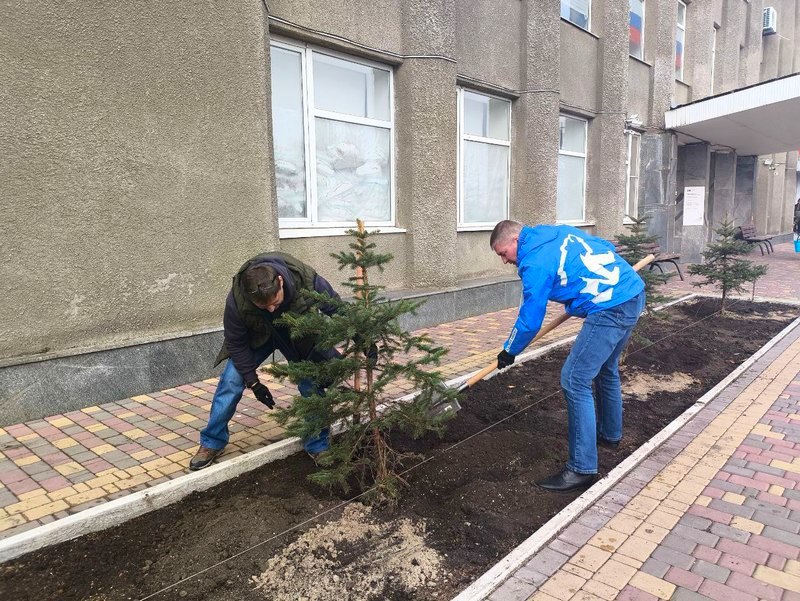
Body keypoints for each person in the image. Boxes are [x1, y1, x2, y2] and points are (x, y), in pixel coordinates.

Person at [490, 220, 646, 492]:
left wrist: (509, 350)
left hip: (609, 307)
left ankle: (581, 469)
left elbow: (530, 319)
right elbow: (604, 247)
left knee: (574, 379)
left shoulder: (533, 262)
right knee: (605, 370)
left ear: (515, 240)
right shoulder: (556, 232)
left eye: (503, 253)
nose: (505, 261)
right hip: (631, 292)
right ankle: (610, 435)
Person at [190, 251, 340, 470]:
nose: (272, 309)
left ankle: (317, 443)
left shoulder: (305, 278)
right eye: (264, 307)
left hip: (297, 334)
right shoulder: (237, 301)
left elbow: (334, 306)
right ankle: (212, 441)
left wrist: (362, 336)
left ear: (280, 281)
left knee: (310, 380)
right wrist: (254, 382)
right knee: (231, 380)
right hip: (258, 336)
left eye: (275, 302)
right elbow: (236, 344)